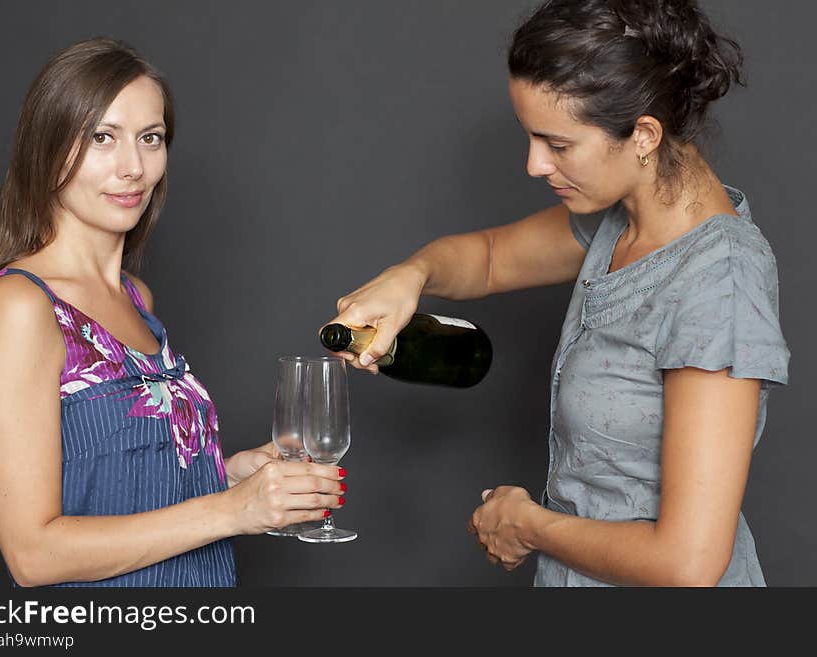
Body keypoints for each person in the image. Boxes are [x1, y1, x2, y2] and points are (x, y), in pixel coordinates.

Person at [325, 0, 789, 586]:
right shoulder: (626, 217)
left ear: (644, 134)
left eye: (558, 144)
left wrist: (526, 525)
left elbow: (688, 563)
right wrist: (409, 276)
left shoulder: (718, 281)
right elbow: (489, 259)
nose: (533, 165)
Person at [0, 37, 346, 587]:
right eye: (102, 138)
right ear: (47, 147)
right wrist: (233, 511)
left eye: (150, 138)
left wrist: (230, 477)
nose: (133, 167)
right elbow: (33, 555)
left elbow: (121, 482)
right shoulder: (20, 307)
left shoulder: (136, 297)